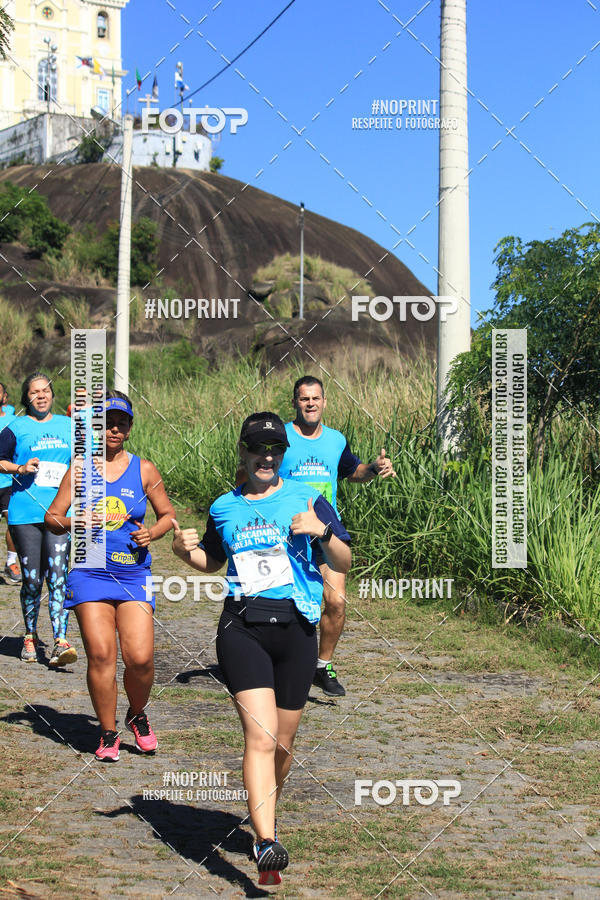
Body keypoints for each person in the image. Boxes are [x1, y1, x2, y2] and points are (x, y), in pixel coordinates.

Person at [173, 412, 351, 884]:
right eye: (258, 448)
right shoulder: (223, 507)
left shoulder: (307, 499)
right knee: (262, 737)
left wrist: (322, 532)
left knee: (283, 745)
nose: (266, 457)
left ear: (283, 455)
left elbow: (344, 559)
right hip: (242, 628)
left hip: (296, 631)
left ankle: (264, 812)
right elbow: (212, 560)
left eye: (274, 449)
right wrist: (182, 552)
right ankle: (267, 841)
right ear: (244, 452)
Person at [45, 390, 175, 762]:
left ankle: (137, 714)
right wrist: (78, 519)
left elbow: (167, 515)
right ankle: (107, 732)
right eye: (107, 423)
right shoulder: (79, 469)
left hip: (133, 573)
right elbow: (52, 518)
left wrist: (153, 532)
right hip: (90, 572)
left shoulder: (144, 469)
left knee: (140, 659)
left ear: (130, 428)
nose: (114, 429)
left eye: (121, 423)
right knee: (101, 654)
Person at [279, 376, 395, 697]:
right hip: (289, 533)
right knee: (287, 603)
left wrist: (373, 468)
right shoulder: (281, 437)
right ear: (295, 402)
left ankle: (322, 666)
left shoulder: (335, 440)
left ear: (325, 402)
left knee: (336, 602)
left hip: (326, 533)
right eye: (304, 398)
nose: (311, 403)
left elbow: (352, 471)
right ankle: (282, 662)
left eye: (316, 398)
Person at [0, 373, 76, 666]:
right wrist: (20, 468)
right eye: (34, 392)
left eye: (45, 391)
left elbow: (88, 459)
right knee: (32, 580)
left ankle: (60, 641)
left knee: (58, 577)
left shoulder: (69, 426)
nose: (41, 396)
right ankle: (30, 636)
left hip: (60, 515)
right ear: (27, 397)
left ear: (52, 395)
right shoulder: (16, 427)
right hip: (25, 514)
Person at [0, 383, 20, 583]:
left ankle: (11, 562)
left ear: (4, 397)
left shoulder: (14, 422)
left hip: (7, 481)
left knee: (13, 523)